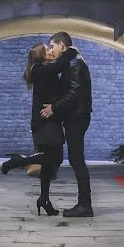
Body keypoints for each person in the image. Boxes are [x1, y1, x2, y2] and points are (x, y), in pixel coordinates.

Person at [1, 43, 76, 216]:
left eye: (51, 48)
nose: (51, 50)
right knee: (55, 158)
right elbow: (61, 65)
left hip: (49, 119)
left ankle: (44, 199)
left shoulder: (42, 69)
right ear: (40, 56)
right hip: (45, 121)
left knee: (48, 164)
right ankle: (18, 161)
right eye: (47, 49)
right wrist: (71, 51)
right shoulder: (39, 70)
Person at [41, 32, 93, 218]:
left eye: (52, 47)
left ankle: (85, 205)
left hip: (77, 117)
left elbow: (74, 94)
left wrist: (54, 108)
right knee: (75, 159)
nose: (51, 51)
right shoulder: (73, 62)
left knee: (77, 160)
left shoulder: (74, 64)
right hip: (76, 116)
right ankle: (84, 204)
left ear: (62, 45)